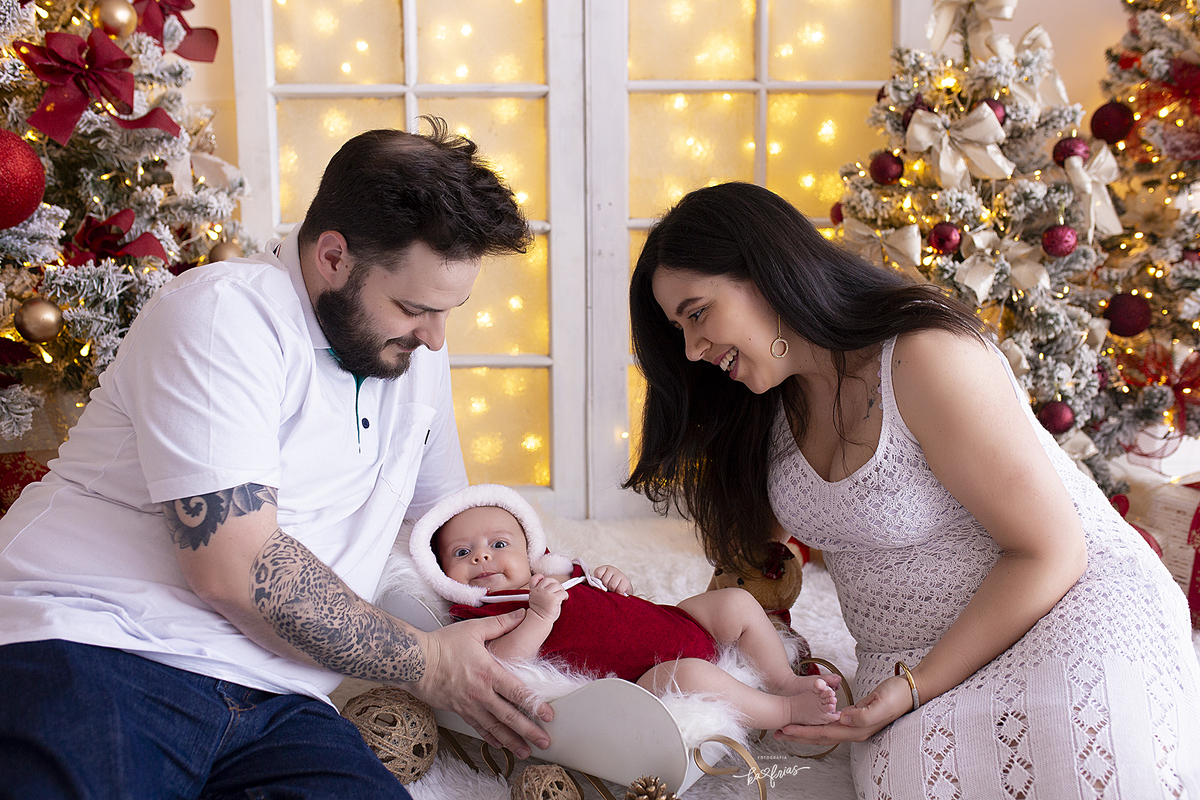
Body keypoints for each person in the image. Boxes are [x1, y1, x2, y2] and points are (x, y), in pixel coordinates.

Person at [0, 120, 555, 800]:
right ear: (333, 257)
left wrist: (558, 591)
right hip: (99, 642)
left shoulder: (411, 354)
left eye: (449, 311)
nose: (436, 339)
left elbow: (446, 523)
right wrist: (428, 664)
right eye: (413, 307)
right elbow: (236, 569)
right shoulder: (222, 313)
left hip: (282, 697)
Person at [624, 181, 1200, 798]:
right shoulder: (760, 404)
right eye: (679, 329)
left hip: (1062, 601)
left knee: (1082, 763)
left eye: (697, 313)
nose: (692, 350)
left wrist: (913, 688)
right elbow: (749, 576)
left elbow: (1050, 552)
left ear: (764, 273)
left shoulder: (924, 357)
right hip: (903, 655)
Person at [406, 483, 841, 731]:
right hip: (644, 677)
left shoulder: (560, 573)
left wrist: (615, 582)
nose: (482, 556)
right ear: (442, 572)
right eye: (462, 552)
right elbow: (499, 665)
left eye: (499, 544)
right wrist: (538, 617)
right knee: (692, 675)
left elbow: (613, 603)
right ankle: (784, 712)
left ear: (531, 549)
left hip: (676, 621)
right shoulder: (484, 612)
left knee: (736, 602)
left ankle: (783, 680)